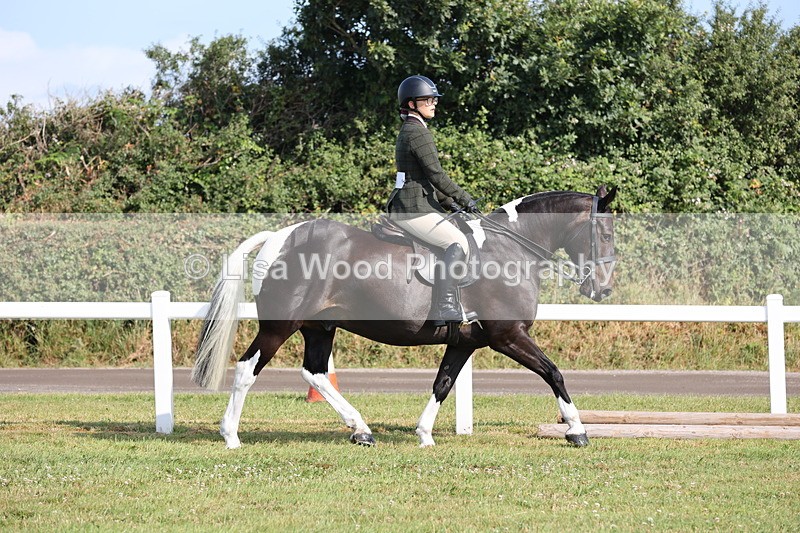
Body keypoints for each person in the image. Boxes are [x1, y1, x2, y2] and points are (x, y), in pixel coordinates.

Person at [386, 74, 478, 323]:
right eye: (428, 99)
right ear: (412, 103)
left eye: (434, 99)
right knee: (457, 243)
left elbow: (424, 180)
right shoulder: (417, 133)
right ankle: (444, 307)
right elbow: (436, 174)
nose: (434, 103)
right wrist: (466, 199)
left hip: (414, 202)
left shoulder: (412, 129)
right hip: (412, 207)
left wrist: (451, 204)